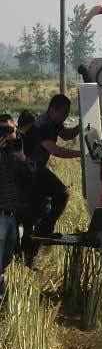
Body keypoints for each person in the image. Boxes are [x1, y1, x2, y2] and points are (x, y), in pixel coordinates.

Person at [22, 95, 80, 265]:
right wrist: (80, 155)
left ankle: (31, 255)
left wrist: (82, 125)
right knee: (62, 194)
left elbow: (67, 135)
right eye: (63, 113)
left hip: (37, 170)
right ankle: (43, 233)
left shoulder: (53, 122)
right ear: (52, 109)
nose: (65, 117)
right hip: (31, 171)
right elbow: (54, 150)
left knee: (39, 213)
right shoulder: (44, 125)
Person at [0, 114, 26, 301]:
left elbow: (28, 169)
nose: (6, 134)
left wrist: (17, 143)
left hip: (11, 217)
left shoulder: (13, 154)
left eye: (9, 130)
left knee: (5, 263)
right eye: (3, 130)